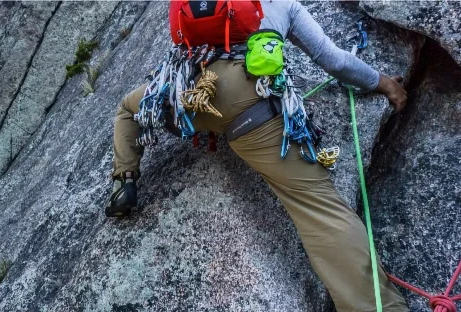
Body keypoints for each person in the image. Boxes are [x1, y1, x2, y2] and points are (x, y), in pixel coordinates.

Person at [107, 1, 410, 311]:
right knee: (319, 210)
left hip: (191, 94)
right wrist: (384, 83)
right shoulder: (284, 5)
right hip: (251, 108)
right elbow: (333, 61)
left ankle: (123, 181)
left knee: (128, 108)